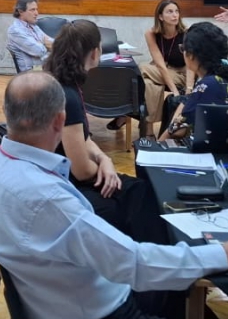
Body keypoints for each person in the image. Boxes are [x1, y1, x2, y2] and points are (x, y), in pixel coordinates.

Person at [0, 71, 228, 319]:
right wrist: (223, 254)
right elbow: (133, 263)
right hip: (104, 309)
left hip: (54, 295)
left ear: (8, 113)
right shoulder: (51, 202)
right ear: (60, 120)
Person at [43, 19, 164, 245]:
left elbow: (83, 138)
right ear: (94, 52)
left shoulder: (62, 82)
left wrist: (104, 158)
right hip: (64, 185)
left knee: (137, 189)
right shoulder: (67, 95)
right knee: (141, 194)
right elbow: (81, 171)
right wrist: (105, 171)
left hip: (57, 176)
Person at [159, 22, 228, 141]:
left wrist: (158, 144)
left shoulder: (207, 85)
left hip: (222, 150)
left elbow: (177, 130)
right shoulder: (225, 79)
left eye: (183, 49)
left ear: (191, 55)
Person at [141, 0, 193, 129]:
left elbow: (190, 65)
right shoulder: (151, 33)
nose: (175, 15)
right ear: (160, 16)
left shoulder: (186, 33)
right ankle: (149, 130)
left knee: (142, 68)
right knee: (149, 83)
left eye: (176, 11)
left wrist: (188, 89)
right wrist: (174, 90)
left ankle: (146, 125)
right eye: (169, 12)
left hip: (182, 73)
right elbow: (160, 65)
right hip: (162, 70)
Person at [5, 0, 53, 72]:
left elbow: (53, 43)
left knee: (68, 64)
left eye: (36, 9)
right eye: (32, 10)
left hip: (43, 67)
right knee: (64, 69)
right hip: (32, 71)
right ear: (21, 11)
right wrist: (45, 44)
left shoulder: (34, 26)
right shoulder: (15, 30)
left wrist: (42, 43)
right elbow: (39, 51)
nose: (36, 13)